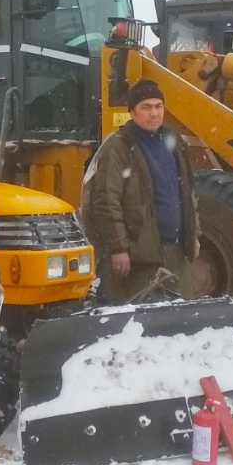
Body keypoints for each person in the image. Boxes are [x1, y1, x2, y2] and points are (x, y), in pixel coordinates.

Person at [81, 79, 200, 303]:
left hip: (176, 252)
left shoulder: (174, 142)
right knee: (141, 324)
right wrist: (118, 249)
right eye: (146, 107)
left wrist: (193, 235)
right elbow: (107, 201)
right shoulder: (119, 147)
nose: (154, 113)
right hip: (140, 258)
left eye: (158, 106)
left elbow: (188, 194)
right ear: (132, 113)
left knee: (181, 321)